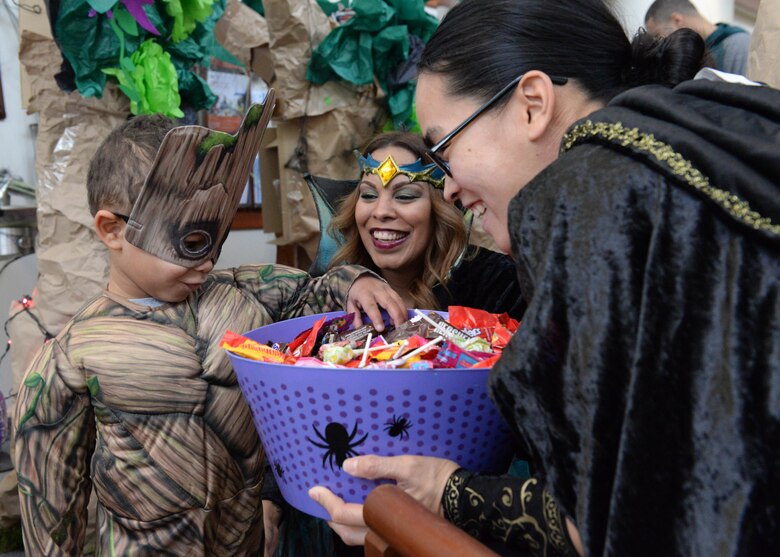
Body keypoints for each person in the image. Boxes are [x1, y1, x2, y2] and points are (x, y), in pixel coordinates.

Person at [309, 0, 780, 556]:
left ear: (532, 104)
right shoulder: (708, 132)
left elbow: (608, 525)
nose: (451, 187)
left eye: (443, 148)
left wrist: (433, 500)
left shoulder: (589, 189)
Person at [12, 100, 406, 555]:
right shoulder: (73, 354)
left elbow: (316, 291)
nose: (207, 262)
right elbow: (51, 503)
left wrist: (356, 279)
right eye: (190, 242)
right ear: (112, 230)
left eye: (217, 238)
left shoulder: (244, 293)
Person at [263, 131, 525, 557]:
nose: (381, 213)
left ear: (443, 207)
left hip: (461, 523)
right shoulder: (332, 290)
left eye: (405, 196)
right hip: (342, 520)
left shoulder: (497, 286)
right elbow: (293, 404)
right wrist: (271, 500)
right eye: (368, 195)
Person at [644, 0, 751, 75]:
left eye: (658, 35)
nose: (660, 44)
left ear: (677, 20)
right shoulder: (696, 53)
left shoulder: (739, 46)